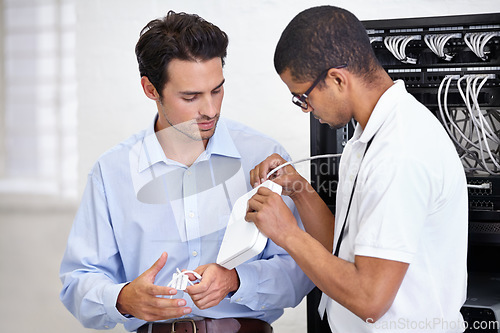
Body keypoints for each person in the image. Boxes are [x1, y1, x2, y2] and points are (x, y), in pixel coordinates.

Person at [59, 11, 312, 333]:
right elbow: (77, 281)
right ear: (151, 89)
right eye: (191, 97)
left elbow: (302, 269)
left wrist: (237, 280)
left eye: (217, 90)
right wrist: (122, 298)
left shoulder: (263, 156)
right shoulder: (112, 172)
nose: (210, 109)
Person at [246, 5, 468, 333]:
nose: (306, 109)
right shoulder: (367, 137)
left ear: (337, 79)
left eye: (303, 97)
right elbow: (345, 251)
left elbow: (369, 300)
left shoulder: (399, 152)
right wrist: (298, 189)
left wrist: (287, 232)